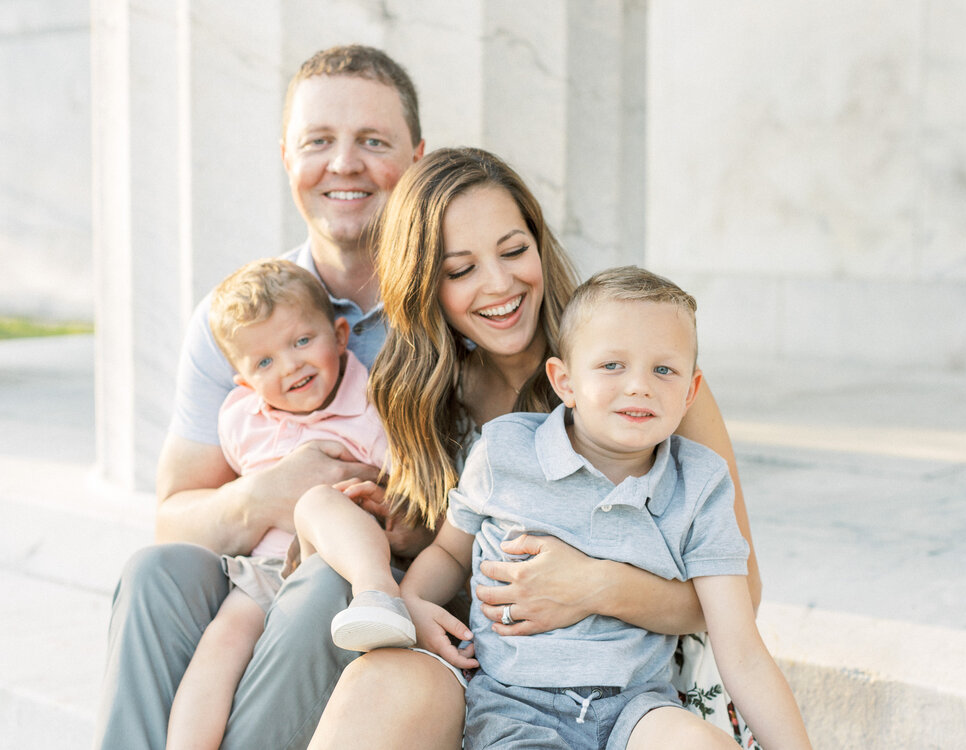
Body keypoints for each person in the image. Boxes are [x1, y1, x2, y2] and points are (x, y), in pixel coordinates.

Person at [307, 148, 764, 749]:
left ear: (539, 246)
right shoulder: (425, 394)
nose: (499, 284)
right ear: (425, 284)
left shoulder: (641, 384)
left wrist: (593, 585)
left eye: (514, 251)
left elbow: (739, 597)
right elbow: (455, 544)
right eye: (459, 268)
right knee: (366, 665)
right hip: (487, 671)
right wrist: (405, 566)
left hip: (629, 685)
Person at [93, 45, 429, 750]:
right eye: (318, 142)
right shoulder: (241, 320)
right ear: (287, 158)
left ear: (417, 157)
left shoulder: (442, 305)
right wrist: (268, 494)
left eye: (372, 141)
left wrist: (396, 518)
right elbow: (174, 516)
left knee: (324, 589)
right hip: (262, 562)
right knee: (157, 571)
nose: (343, 164)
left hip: (380, 579)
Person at [400, 266, 812, 749]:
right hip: (515, 706)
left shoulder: (700, 484)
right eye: (612, 365)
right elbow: (450, 553)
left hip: (639, 709)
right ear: (565, 381)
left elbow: (741, 653)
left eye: (663, 369)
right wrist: (412, 600)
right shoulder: (505, 454)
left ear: (690, 393)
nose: (639, 385)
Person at [165, 258, 398, 749]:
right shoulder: (242, 419)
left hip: (340, 569)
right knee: (221, 645)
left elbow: (407, 492)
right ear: (244, 382)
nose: (290, 366)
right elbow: (190, 499)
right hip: (264, 569)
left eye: (301, 342)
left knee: (319, 502)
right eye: (264, 362)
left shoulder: (373, 406)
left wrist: (381, 491)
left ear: (339, 336)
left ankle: (380, 598)